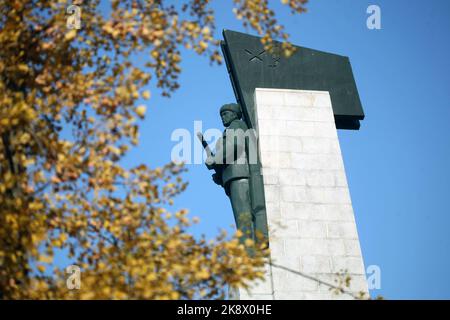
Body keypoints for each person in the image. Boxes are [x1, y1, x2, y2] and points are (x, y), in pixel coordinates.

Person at [205, 103, 256, 243]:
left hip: (239, 175)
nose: (223, 117)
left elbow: (235, 146)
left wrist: (214, 159)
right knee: (241, 214)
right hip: (233, 176)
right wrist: (220, 174)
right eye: (221, 115)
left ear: (234, 114)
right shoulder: (231, 129)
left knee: (243, 214)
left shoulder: (236, 126)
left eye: (225, 114)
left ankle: (248, 246)